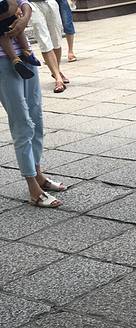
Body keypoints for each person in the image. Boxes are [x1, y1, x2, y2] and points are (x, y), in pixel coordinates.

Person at [0, 0, 65, 207]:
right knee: (22, 123)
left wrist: (25, 17)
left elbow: (24, 2)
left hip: (26, 56)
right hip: (3, 62)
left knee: (36, 118)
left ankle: (38, 174)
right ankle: (32, 187)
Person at [28, 0, 68, 92]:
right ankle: (58, 78)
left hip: (50, 2)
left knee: (56, 40)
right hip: (33, 4)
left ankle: (56, 71)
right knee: (44, 41)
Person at [0, 0, 40, 77]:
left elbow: (23, 2)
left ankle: (16, 58)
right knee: (11, 29)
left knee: (6, 33)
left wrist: (25, 18)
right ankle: (26, 52)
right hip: (3, 58)